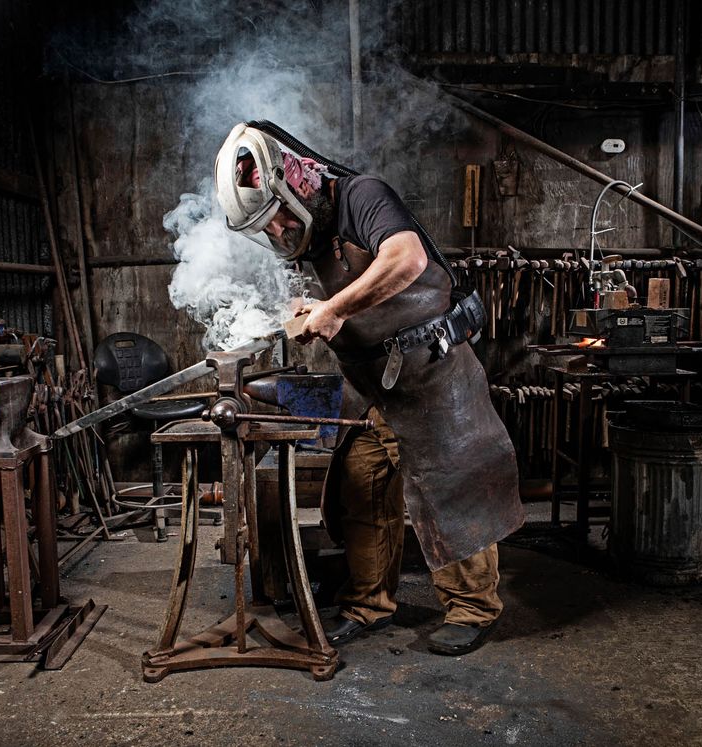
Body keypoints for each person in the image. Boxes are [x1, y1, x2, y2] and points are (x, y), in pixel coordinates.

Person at [214, 122, 525, 655]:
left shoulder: (363, 196)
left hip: (433, 372)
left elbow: (406, 260)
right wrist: (304, 311)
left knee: (448, 489)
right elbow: (324, 300)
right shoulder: (308, 240)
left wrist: (335, 308)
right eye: (264, 228)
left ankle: (474, 607)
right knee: (361, 488)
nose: (276, 232)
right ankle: (369, 602)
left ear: (296, 185)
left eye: (276, 217)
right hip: (375, 387)